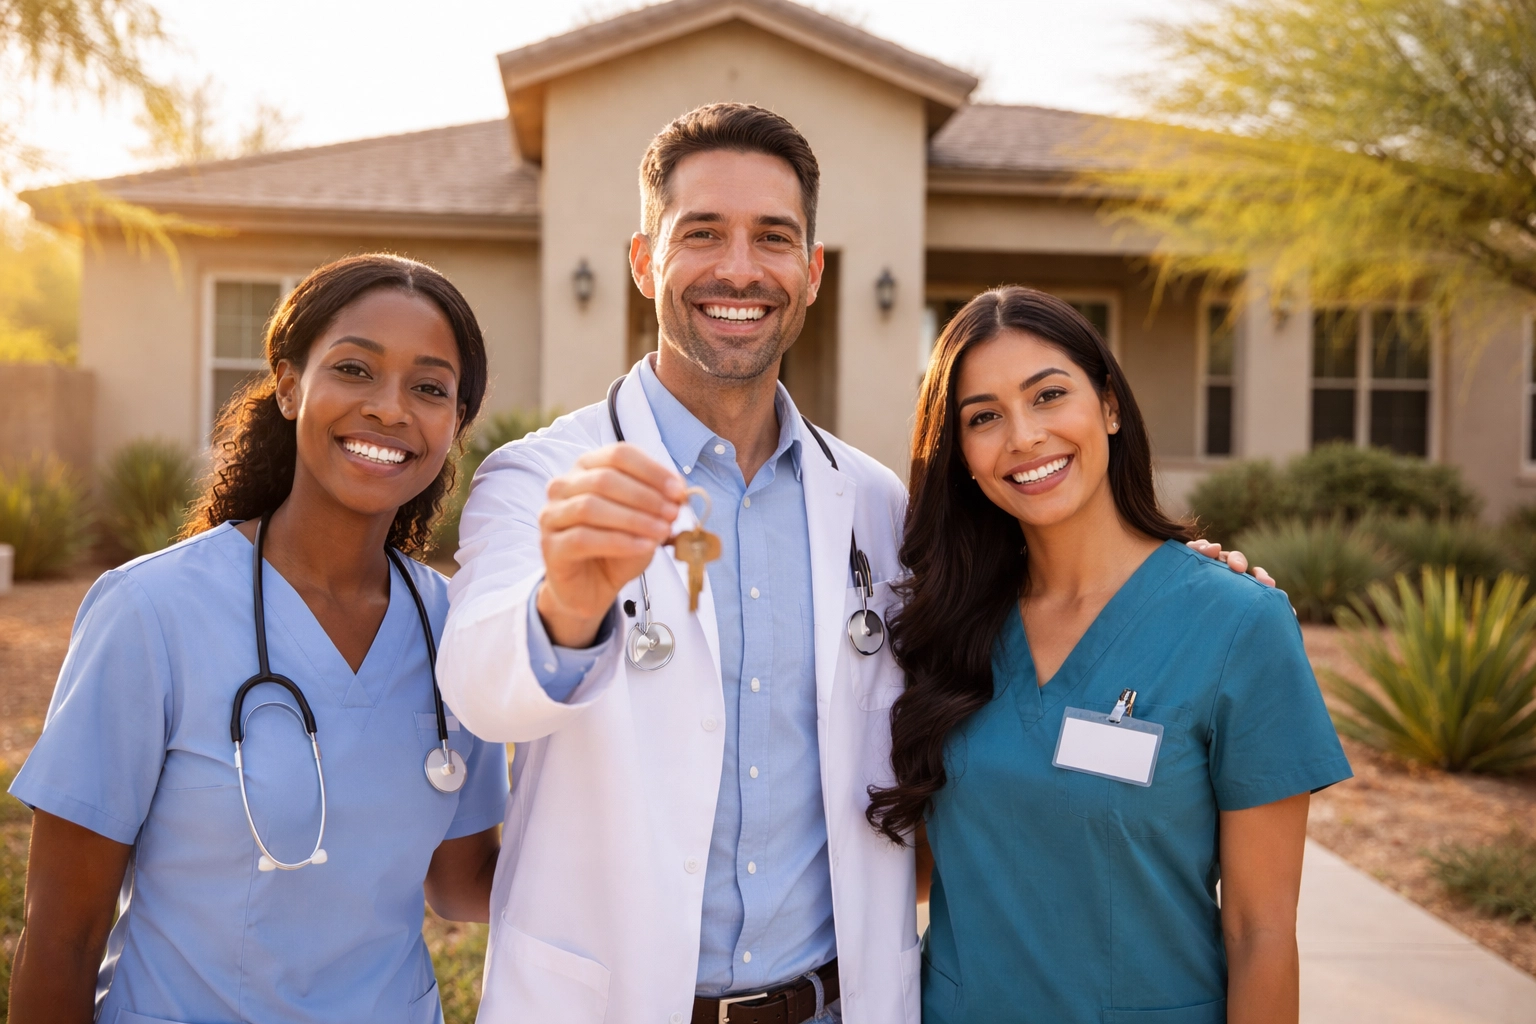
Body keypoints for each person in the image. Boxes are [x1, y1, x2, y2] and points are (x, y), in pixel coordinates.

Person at [7, 254, 510, 1024]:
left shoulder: (457, 625)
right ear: (287, 385)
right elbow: (61, 935)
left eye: (430, 388)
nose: (389, 408)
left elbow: (460, 881)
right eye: (354, 368)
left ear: (454, 425)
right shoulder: (152, 612)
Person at [868, 287, 1353, 1024]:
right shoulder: (947, 626)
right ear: (961, 454)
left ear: (1111, 408)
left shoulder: (1236, 625)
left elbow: (1260, 933)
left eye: (1049, 395)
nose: (1024, 436)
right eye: (984, 417)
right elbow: (926, 869)